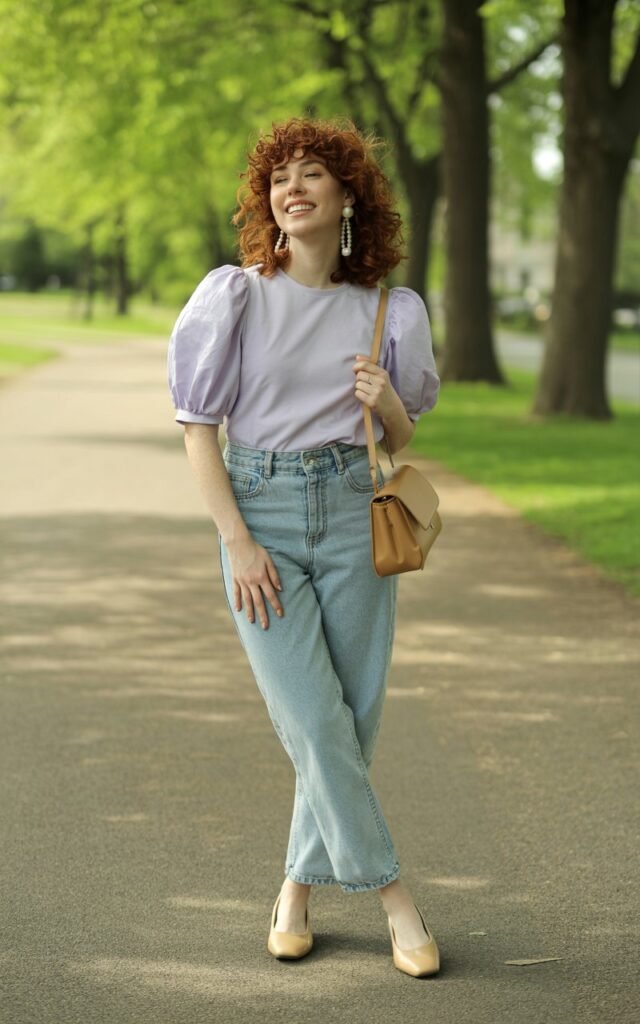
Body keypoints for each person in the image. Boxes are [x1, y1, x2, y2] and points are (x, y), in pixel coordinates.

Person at [167, 116, 441, 978]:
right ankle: (396, 897)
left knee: (347, 721)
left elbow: (404, 433)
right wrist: (237, 541)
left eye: (313, 173)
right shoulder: (235, 294)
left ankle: (294, 889)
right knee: (315, 718)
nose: (293, 188)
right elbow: (197, 429)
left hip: (354, 510)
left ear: (348, 195)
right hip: (263, 517)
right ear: (267, 202)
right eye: (279, 177)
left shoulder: (390, 308)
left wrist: (387, 398)